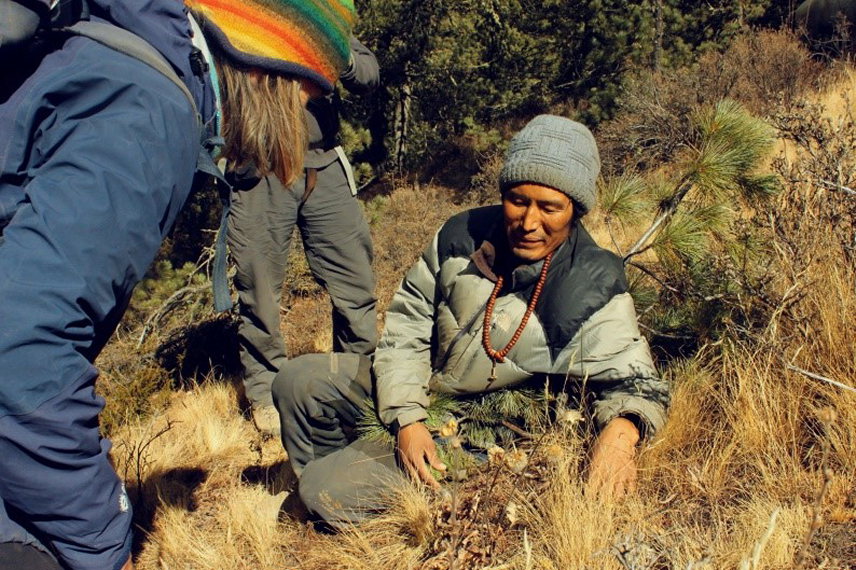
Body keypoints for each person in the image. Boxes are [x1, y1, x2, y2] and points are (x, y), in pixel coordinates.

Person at [0, 0, 355, 568]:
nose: (302, 127)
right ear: (266, 71)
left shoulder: (114, 59)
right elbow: (20, 349)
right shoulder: (149, 108)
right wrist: (99, 537)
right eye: (304, 103)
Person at [273, 115, 671, 528]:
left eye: (550, 207)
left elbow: (638, 384)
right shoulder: (458, 236)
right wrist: (408, 418)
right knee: (296, 381)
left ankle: (347, 499)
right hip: (422, 388)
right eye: (518, 200)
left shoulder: (591, 283)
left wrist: (620, 438)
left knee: (325, 487)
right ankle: (334, 505)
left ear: (575, 210)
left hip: (482, 432)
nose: (530, 222)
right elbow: (408, 325)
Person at [228, 36, 379, 437]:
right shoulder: (246, 14)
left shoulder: (317, 11)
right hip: (259, 164)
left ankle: (355, 384)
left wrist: (332, 45)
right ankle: (267, 396)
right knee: (258, 290)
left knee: (355, 283)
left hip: (323, 162)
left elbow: (367, 75)